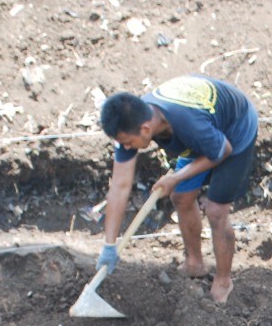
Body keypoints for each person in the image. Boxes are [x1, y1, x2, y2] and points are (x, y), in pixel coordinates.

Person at [98, 74, 258, 304]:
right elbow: (120, 185)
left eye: (128, 143)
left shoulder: (186, 121)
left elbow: (222, 150)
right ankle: (195, 263)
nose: (126, 147)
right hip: (204, 136)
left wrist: (176, 176)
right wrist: (109, 245)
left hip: (234, 131)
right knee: (181, 196)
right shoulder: (132, 122)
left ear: (145, 129)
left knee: (215, 210)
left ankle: (223, 280)